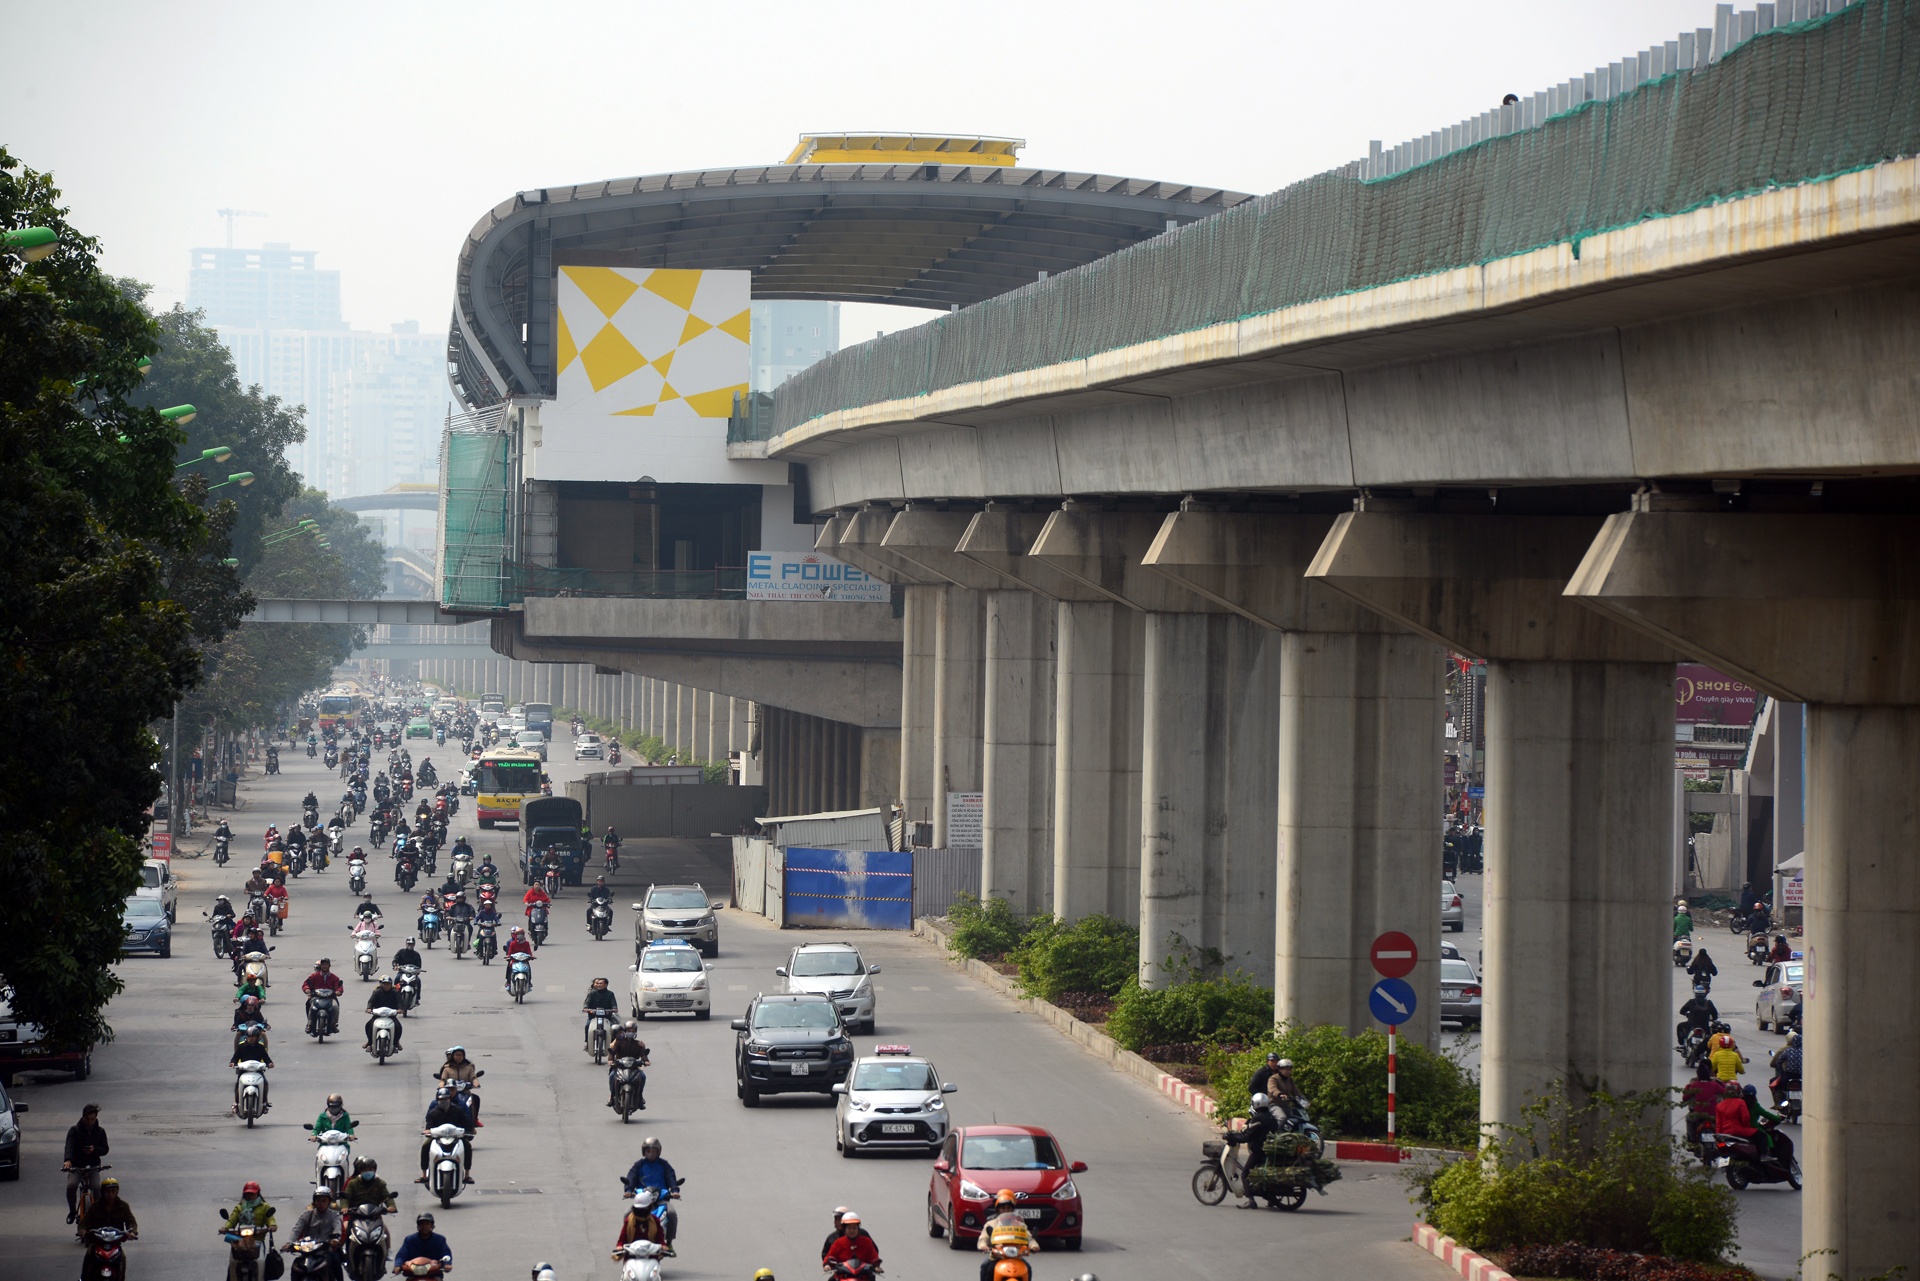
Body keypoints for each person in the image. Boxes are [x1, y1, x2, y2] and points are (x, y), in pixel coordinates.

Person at [63, 1104, 110, 1224]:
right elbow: (69, 1146)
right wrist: (68, 1160)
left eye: (93, 1119)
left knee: (96, 1187)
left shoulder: (100, 1131)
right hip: (77, 1166)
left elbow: (105, 1149)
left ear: (96, 1118)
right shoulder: (74, 1130)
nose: (90, 1122)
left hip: (93, 1166)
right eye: (88, 1119)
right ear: (83, 1117)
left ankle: (99, 1212)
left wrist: (95, 1150)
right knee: (71, 1186)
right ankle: (72, 1212)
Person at [977, 1189, 1038, 1281]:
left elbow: (1028, 1238)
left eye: (1008, 1208)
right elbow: (983, 1239)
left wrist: (1034, 1246)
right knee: (985, 1267)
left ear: (1012, 1209)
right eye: (1003, 1208)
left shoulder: (1020, 1225)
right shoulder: (991, 1224)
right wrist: (983, 1246)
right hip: (997, 1256)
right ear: (998, 1209)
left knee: (1028, 1268)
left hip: (1016, 1256)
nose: (1006, 1210)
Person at [417, 1088, 475, 1185]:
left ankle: (467, 1175)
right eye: (441, 1100)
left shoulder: (457, 1110)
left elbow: (467, 1124)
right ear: (437, 1100)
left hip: (456, 1137)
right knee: (425, 1146)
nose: (444, 1102)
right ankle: (424, 1175)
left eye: (446, 1099)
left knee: (467, 1146)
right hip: (438, 1137)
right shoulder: (433, 1113)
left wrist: (467, 1130)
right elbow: (429, 1127)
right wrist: (428, 1131)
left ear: (450, 1099)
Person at [286, 1186, 345, 1279]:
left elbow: (337, 1228)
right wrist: (289, 1243)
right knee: (297, 1266)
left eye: (324, 1201)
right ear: (314, 1202)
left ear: (329, 1202)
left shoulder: (334, 1215)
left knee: (336, 1261)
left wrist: (334, 1240)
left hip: (326, 1250)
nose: (321, 1203)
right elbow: (296, 1230)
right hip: (307, 1251)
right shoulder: (307, 1215)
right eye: (318, 1200)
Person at [1681, 1061, 1727, 1145]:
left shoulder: (1694, 1085)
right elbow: (1725, 1092)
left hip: (1698, 1115)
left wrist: (1688, 1086)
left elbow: (1685, 1098)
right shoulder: (1714, 1084)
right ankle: (1721, 1141)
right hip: (1713, 1115)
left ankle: (1692, 1140)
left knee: (1689, 1119)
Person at [606, 1022, 650, 1110]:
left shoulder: (639, 1044)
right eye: (629, 1031)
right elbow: (612, 1052)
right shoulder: (619, 1042)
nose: (630, 1033)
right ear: (625, 1032)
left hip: (634, 1068)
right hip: (619, 1067)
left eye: (632, 1031)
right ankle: (612, 1096)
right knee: (612, 1076)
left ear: (635, 1032)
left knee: (643, 1076)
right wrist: (610, 1060)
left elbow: (643, 1055)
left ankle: (640, 1097)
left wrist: (646, 1061)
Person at [304, 959, 346, 1034]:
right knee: (310, 1006)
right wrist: (307, 989)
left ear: (329, 966)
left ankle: (334, 1024)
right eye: (323, 964)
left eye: (326, 964)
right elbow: (306, 984)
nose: (324, 966)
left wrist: (338, 991)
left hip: (330, 998)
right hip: (316, 997)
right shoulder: (314, 976)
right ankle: (309, 1024)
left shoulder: (334, 977)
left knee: (335, 1006)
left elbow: (339, 986)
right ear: (320, 966)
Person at [365, 977, 405, 1052]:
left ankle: (396, 1043)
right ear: (382, 985)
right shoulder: (377, 992)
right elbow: (371, 1001)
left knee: (398, 1027)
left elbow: (399, 1002)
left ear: (391, 985)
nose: (386, 986)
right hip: (378, 1015)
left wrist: (400, 1009)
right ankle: (370, 1043)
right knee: (368, 1025)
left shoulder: (395, 993)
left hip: (391, 1016)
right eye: (385, 984)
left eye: (388, 984)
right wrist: (369, 1008)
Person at [583, 977, 620, 1047]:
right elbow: (587, 1002)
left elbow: (613, 1003)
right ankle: (587, 1042)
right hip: (593, 1017)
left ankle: (614, 1043)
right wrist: (586, 1008)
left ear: (606, 985)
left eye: (601, 983)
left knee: (614, 1028)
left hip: (606, 1017)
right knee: (587, 1025)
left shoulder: (610, 994)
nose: (599, 985)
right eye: (598, 983)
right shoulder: (592, 994)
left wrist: (614, 1008)